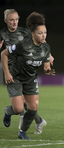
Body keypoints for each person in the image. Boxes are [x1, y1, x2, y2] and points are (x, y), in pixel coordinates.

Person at [1, 11, 55, 139]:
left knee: (33, 109)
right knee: (19, 109)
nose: (43, 35)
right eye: (40, 33)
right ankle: (8, 111)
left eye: (45, 33)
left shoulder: (46, 47)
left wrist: (48, 70)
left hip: (31, 79)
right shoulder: (23, 45)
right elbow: (4, 53)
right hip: (16, 77)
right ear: (33, 33)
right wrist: (7, 73)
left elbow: (46, 65)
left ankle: (22, 132)